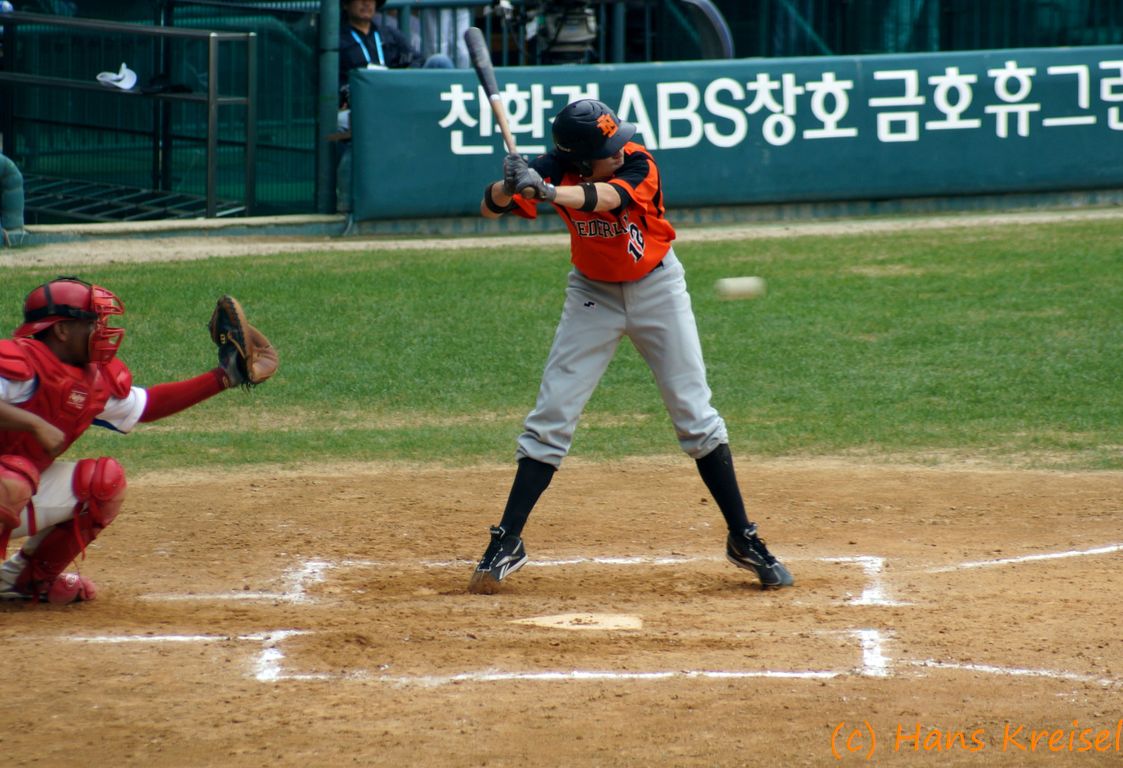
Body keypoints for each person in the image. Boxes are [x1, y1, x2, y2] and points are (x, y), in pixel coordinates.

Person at [467, 99, 794, 595]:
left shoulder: (638, 163)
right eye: (608, 147)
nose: (621, 150)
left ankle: (742, 537)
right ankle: (507, 539)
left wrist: (546, 190)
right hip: (591, 295)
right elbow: (489, 208)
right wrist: (508, 184)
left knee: (695, 415)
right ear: (579, 158)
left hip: (658, 288)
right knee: (552, 415)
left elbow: (607, 198)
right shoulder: (552, 167)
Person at [0, 277, 276, 604]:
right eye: (93, 322)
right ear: (61, 330)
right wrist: (34, 424)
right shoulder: (20, 364)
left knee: (103, 482)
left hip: (15, 485)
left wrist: (225, 376)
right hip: (9, 485)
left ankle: (24, 581)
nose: (101, 330)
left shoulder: (90, 380)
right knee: (13, 480)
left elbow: (148, 405)